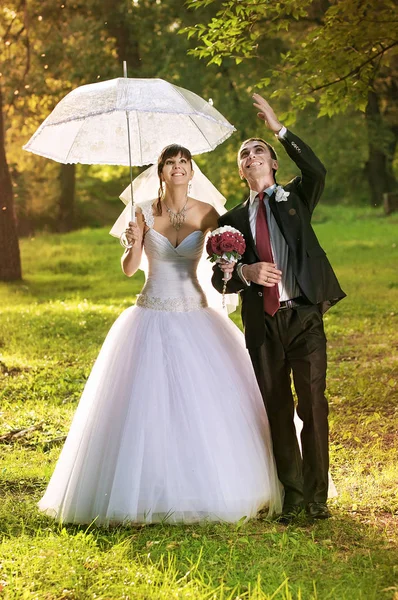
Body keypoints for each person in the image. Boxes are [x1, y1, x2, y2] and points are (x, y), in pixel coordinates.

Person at [38, 144, 282, 525]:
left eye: (184, 162)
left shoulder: (208, 213)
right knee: (145, 404)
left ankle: (210, 484)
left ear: (191, 170)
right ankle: (145, 489)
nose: (178, 168)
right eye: (171, 163)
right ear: (161, 172)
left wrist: (231, 262)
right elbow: (128, 268)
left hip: (195, 312)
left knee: (203, 404)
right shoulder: (142, 212)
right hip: (150, 310)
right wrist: (134, 242)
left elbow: (223, 267)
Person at [213, 95, 346, 521]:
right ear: (241, 170)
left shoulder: (296, 197)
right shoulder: (229, 220)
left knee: (313, 406)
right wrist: (245, 273)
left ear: (271, 163)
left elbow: (317, 169)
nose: (251, 155)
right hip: (262, 322)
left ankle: (317, 497)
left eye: (258, 150)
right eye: (244, 153)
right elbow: (219, 277)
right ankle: (291, 496)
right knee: (277, 408)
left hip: (304, 314)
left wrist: (279, 130)